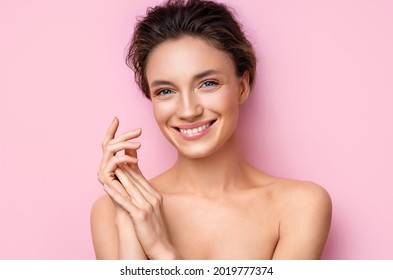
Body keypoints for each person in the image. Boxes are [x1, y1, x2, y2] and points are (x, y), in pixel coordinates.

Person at [91, 0, 332, 260]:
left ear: (242, 87)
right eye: (166, 91)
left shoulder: (300, 206)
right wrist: (129, 221)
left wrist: (162, 252)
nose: (187, 110)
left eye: (208, 83)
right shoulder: (112, 211)